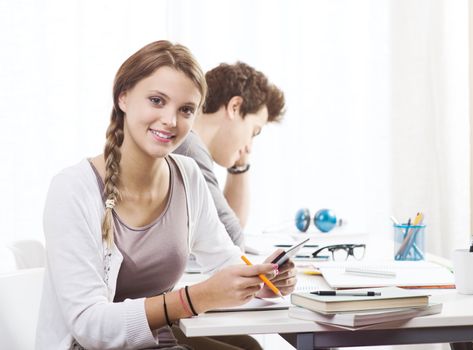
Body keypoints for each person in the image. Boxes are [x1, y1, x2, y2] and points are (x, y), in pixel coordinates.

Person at [36, 40, 296, 350]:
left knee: (250, 347)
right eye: (157, 101)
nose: (171, 121)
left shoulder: (187, 176)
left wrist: (260, 283)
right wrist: (193, 298)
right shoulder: (73, 189)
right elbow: (90, 326)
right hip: (91, 346)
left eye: (185, 109)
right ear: (123, 97)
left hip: (159, 339)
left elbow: (224, 259)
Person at [174, 62, 285, 250]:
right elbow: (230, 238)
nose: (249, 147)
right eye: (254, 132)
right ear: (235, 107)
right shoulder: (187, 149)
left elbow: (227, 225)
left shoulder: (191, 146)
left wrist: (240, 166)